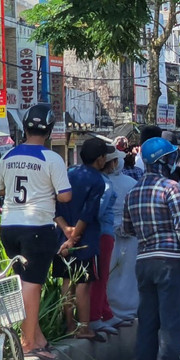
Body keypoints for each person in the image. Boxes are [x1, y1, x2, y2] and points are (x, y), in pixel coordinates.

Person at [124, 137, 180, 360]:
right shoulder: (171, 187)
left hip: (144, 262)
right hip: (172, 262)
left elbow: (128, 228)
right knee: (172, 321)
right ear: (163, 160)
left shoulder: (133, 191)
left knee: (147, 321)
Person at [0, 104, 73, 359]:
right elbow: (65, 196)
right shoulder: (51, 158)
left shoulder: (7, 156)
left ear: (25, 127)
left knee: (21, 282)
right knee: (33, 285)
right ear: (50, 130)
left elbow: (1, 189)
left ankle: (37, 336)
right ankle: (28, 341)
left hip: (9, 226)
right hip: (37, 227)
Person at [57, 137, 110, 341]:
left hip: (62, 236)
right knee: (83, 284)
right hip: (85, 240)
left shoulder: (69, 173)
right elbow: (88, 214)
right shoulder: (97, 180)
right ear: (100, 159)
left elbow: (56, 207)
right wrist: (74, 237)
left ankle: (69, 325)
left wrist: (66, 233)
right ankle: (84, 327)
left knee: (67, 281)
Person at [99, 146, 138, 331]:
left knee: (109, 275)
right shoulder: (130, 182)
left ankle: (108, 312)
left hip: (106, 234)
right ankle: (128, 311)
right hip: (129, 234)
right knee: (128, 275)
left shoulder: (101, 182)